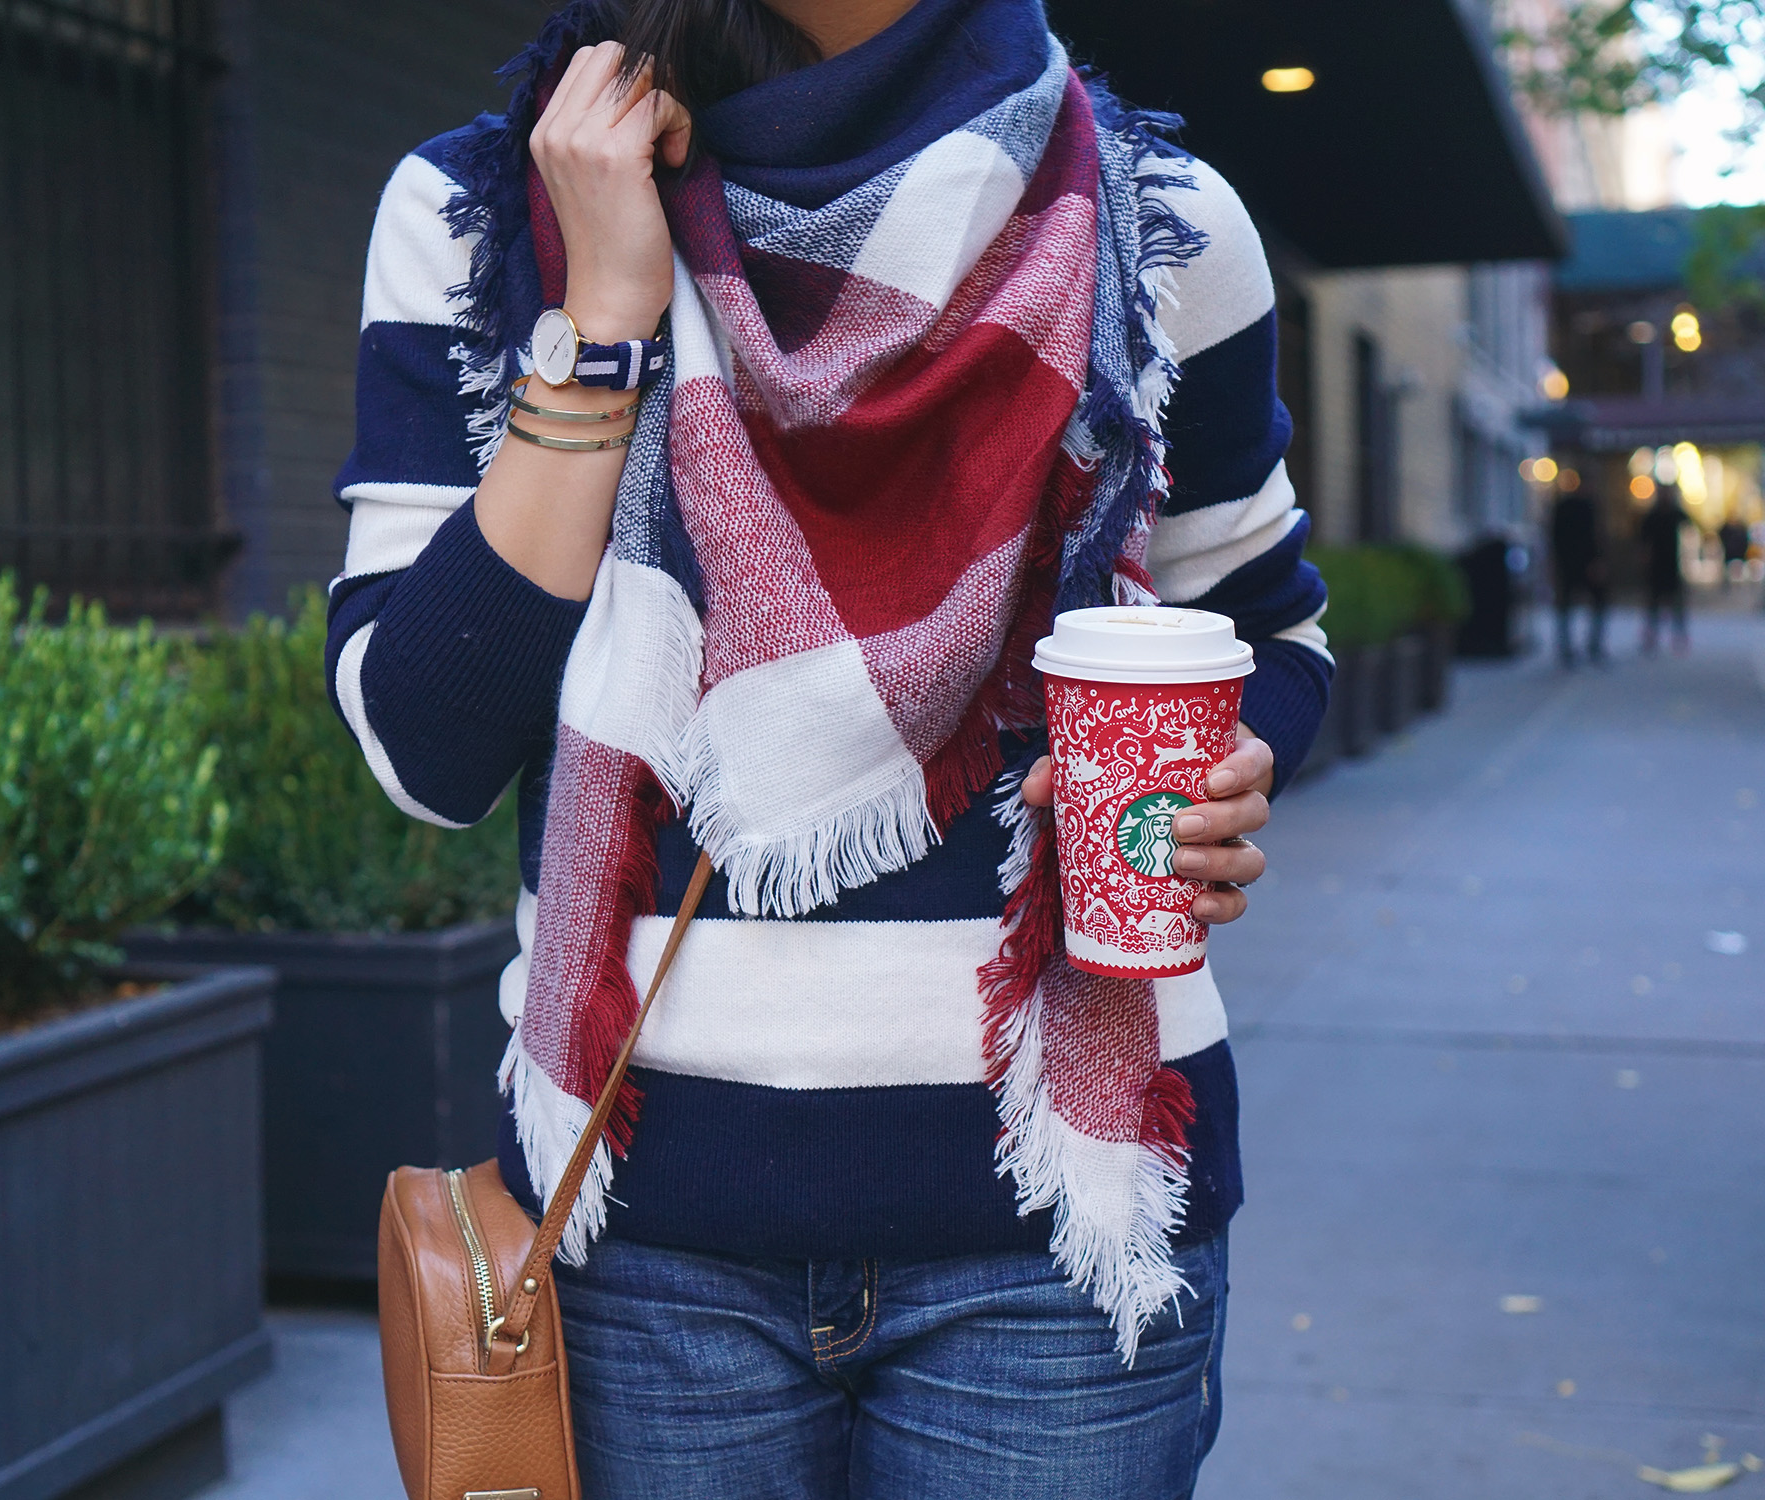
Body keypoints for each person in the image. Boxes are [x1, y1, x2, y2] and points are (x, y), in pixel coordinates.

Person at [326, 0, 1331, 1493]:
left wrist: (1229, 767)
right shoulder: (487, 218)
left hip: (1054, 1244)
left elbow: (1264, 626)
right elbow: (428, 744)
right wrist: (602, 324)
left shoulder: (1154, 225)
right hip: (641, 1243)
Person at [1549, 487, 1607, 666]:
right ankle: (1576, 647)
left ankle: (1588, 645)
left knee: (1591, 603)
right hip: (1574, 563)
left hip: (1578, 562)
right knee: (1567, 605)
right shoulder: (1578, 508)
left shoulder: (1584, 507)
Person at [1640, 484, 1689, 653]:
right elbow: (1643, 541)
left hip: (1671, 565)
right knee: (1654, 604)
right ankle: (1651, 637)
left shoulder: (1675, 514)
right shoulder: (1652, 516)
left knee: (1676, 604)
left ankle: (1679, 636)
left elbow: (1688, 523)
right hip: (1657, 567)